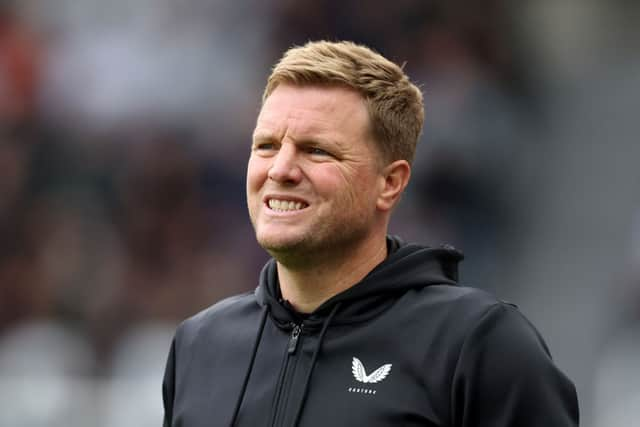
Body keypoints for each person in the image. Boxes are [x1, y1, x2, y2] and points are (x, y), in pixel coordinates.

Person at [162, 40, 579, 427]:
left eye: (316, 150)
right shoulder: (199, 346)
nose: (280, 170)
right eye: (266, 146)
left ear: (390, 183)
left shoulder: (477, 344)